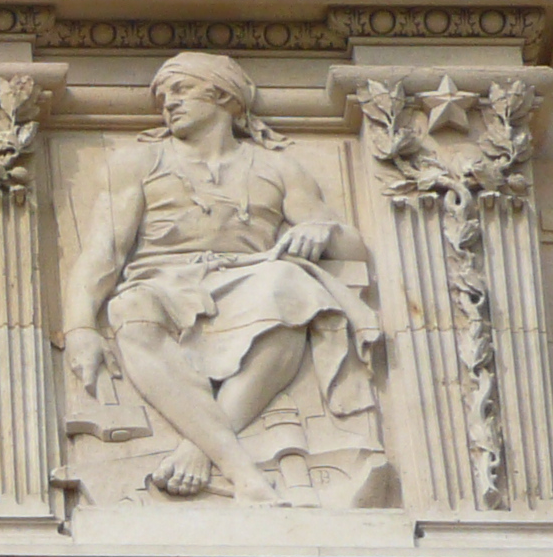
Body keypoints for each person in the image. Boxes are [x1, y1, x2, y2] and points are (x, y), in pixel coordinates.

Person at [59, 51, 381, 503]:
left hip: (249, 279)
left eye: (181, 90)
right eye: (163, 96)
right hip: (165, 282)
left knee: (293, 288)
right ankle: (243, 472)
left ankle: (198, 449)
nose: (168, 103)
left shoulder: (278, 167)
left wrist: (321, 229)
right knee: (129, 308)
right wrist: (79, 328)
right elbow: (103, 254)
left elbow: (353, 249)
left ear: (223, 95)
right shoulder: (140, 163)